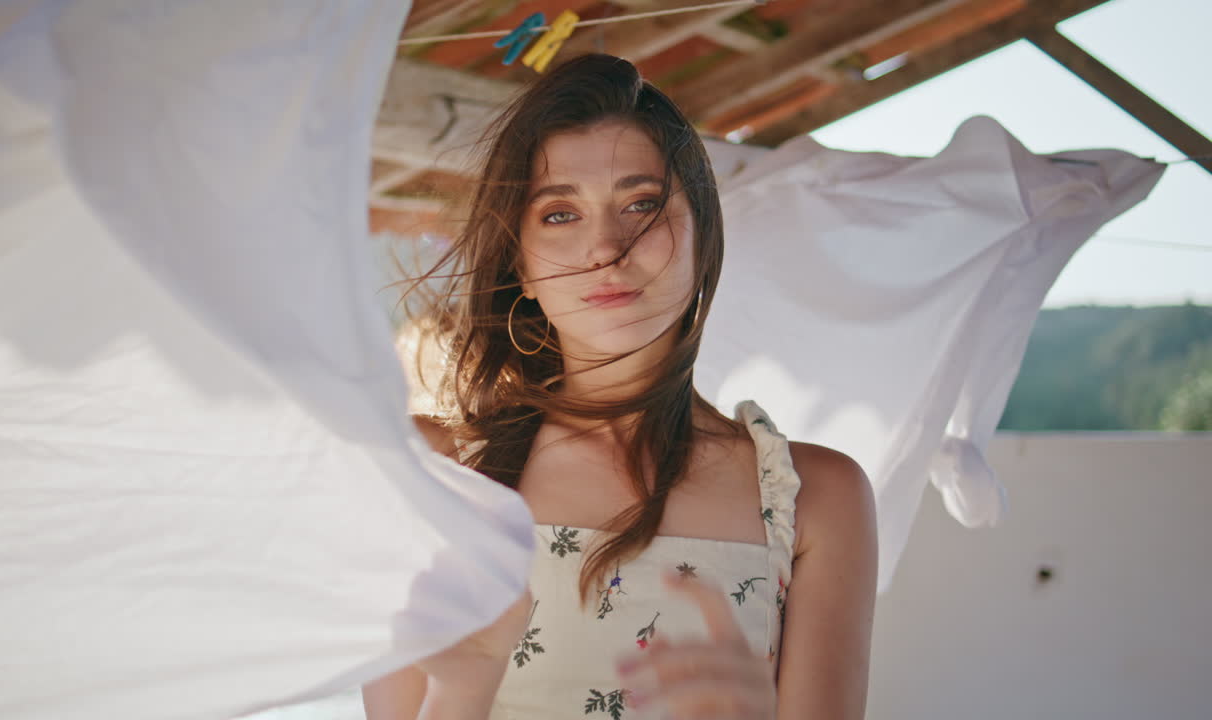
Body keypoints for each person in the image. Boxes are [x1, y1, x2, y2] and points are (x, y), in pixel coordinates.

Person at [364, 53, 877, 720]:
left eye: (642, 203)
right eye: (558, 214)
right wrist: (466, 688)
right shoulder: (433, 474)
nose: (605, 245)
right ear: (519, 261)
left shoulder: (820, 500)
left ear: (702, 236)